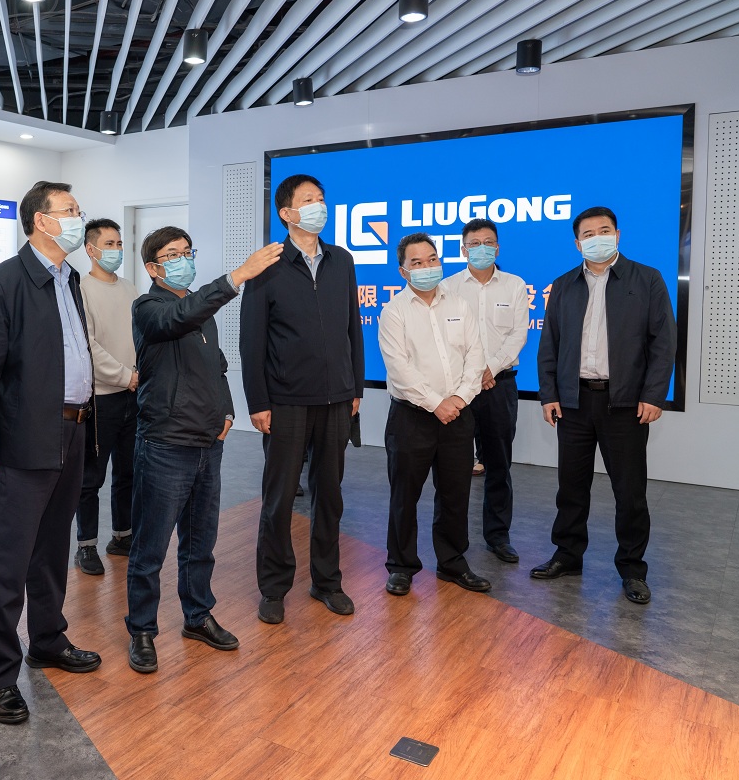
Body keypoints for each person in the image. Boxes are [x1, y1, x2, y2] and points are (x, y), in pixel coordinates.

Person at [0, 181, 101, 725]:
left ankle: (48, 639)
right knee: (8, 560)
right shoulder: (4, 282)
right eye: (69, 210)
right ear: (41, 221)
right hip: (25, 439)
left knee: (51, 548)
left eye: (78, 209)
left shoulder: (70, 279)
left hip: (73, 430)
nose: (78, 217)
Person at [126, 227, 282, 673]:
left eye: (187, 252)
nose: (183, 260)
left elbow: (218, 367)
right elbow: (178, 317)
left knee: (200, 544)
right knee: (150, 548)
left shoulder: (200, 309)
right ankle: (142, 630)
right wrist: (236, 277)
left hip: (207, 445)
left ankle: (197, 616)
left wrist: (227, 412)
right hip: (165, 445)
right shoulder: (149, 308)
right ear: (153, 268)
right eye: (172, 255)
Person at [533, 206, 675, 605]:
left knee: (630, 493)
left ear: (618, 234)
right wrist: (549, 394)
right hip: (574, 402)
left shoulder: (647, 279)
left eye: (604, 230)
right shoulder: (564, 285)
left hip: (625, 404)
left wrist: (653, 395)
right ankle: (567, 555)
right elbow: (550, 345)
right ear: (577, 243)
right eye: (588, 234)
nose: (597, 238)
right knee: (571, 487)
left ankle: (632, 569)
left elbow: (663, 343)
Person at [240, 173, 363, 626]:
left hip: (336, 399)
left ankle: (327, 582)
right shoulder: (268, 264)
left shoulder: (342, 260)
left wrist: (355, 388)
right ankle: (274, 587)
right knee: (278, 500)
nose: (319, 206)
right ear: (287, 213)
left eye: (321, 198)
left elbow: (353, 328)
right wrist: (258, 401)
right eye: (309, 200)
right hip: (286, 401)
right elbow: (252, 340)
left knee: (330, 496)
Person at [379, 233, 491, 598]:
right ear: (403, 271)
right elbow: (399, 369)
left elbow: (475, 356)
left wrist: (459, 398)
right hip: (410, 418)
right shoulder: (394, 312)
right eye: (417, 262)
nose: (427, 267)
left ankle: (453, 562)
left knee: (455, 494)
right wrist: (436, 403)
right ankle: (401, 566)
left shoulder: (459, 304)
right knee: (404, 496)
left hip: (458, 414)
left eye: (431, 259)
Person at [440, 218, 529, 563]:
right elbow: (446, 339)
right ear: (463, 250)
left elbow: (518, 334)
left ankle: (498, 536)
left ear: (498, 247)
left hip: (499, 386)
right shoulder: (447, 287)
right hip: (458, 389)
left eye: (488, 242)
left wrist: (488, 368)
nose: (482, 248)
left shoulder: (514, 285)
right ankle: (453, 539)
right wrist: (474, 374)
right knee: (453, 467)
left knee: (498, 464)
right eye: (474, 243)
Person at [72, 218, 139, 575]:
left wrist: (138, 375)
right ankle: (86, 545)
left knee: (128, 471)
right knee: (91, 477)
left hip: (134, 395)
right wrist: (127, 376)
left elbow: (142, 336)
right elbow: (88, 346)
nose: (116, 250)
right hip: (101, 398)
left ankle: (122, 536)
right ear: (91, 249)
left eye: (119, 244)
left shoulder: (130, 288)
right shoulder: (81, 290)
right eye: (109, 244)